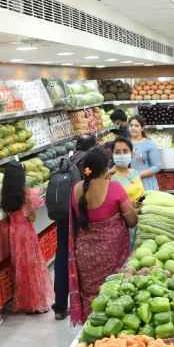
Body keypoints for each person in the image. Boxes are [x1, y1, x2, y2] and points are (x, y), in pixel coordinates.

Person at [67, 148, 137, 324]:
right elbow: (132, 222)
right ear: (106, 169)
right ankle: (112, 328)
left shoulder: (75, 189)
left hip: (84, 254)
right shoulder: (114, 188)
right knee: (112, 290)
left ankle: (91, 328)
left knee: (91, 295)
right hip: (110, 255)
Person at [52, 135, 98, 320]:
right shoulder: (88, 162)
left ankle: (60, 306)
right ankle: (85, 302)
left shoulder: (67, 160)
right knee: (82, 258)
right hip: (79, 215)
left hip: (63, 216)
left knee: (62, 257)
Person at [0, 161, 52, 314]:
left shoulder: (5, 193)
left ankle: (25, 302)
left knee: (20, 268)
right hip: (26, 233)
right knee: (33, 266)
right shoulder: (26, 193)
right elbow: (32, 216)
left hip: (14, 233)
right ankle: (37, 303)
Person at [128, 115, 161, 192]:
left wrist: (138, 175)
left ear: (142, 128)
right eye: (131, 125)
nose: (133, 128)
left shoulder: (149, 144)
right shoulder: (125, 144)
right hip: (129, 183)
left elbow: (157, 166)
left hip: (146, 184)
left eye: (136, 125)